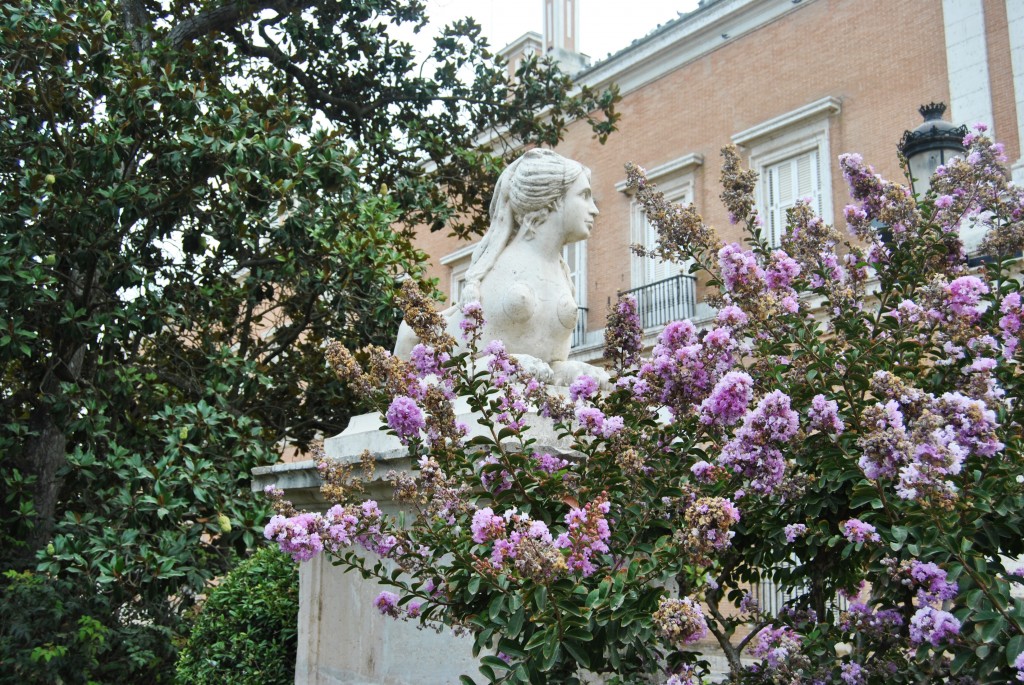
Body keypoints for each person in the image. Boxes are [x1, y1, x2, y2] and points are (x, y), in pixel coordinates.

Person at [395, 148, 607, 386]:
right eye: (584, 195)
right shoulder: (501, 268)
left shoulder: (562, 275)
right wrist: (499, 364)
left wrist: (566, 371)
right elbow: (466, 357)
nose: (594, 209)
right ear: (553, 200)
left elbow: (548, 365)